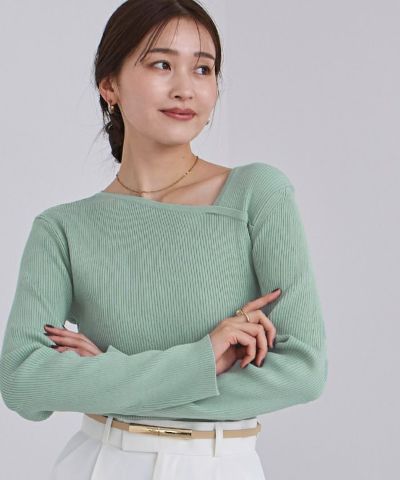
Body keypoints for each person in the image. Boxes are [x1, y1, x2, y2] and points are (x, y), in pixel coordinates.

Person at [0, 1, 328, 478]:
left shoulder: (257, 194)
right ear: (109, 85)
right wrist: (202, 360)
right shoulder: (62, 228)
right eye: (161, 64)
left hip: (217, 466)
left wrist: (109, 377)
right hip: (99, 462)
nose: (185, 88)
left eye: (203, 68)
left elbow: (303, 372)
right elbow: (23, 382)